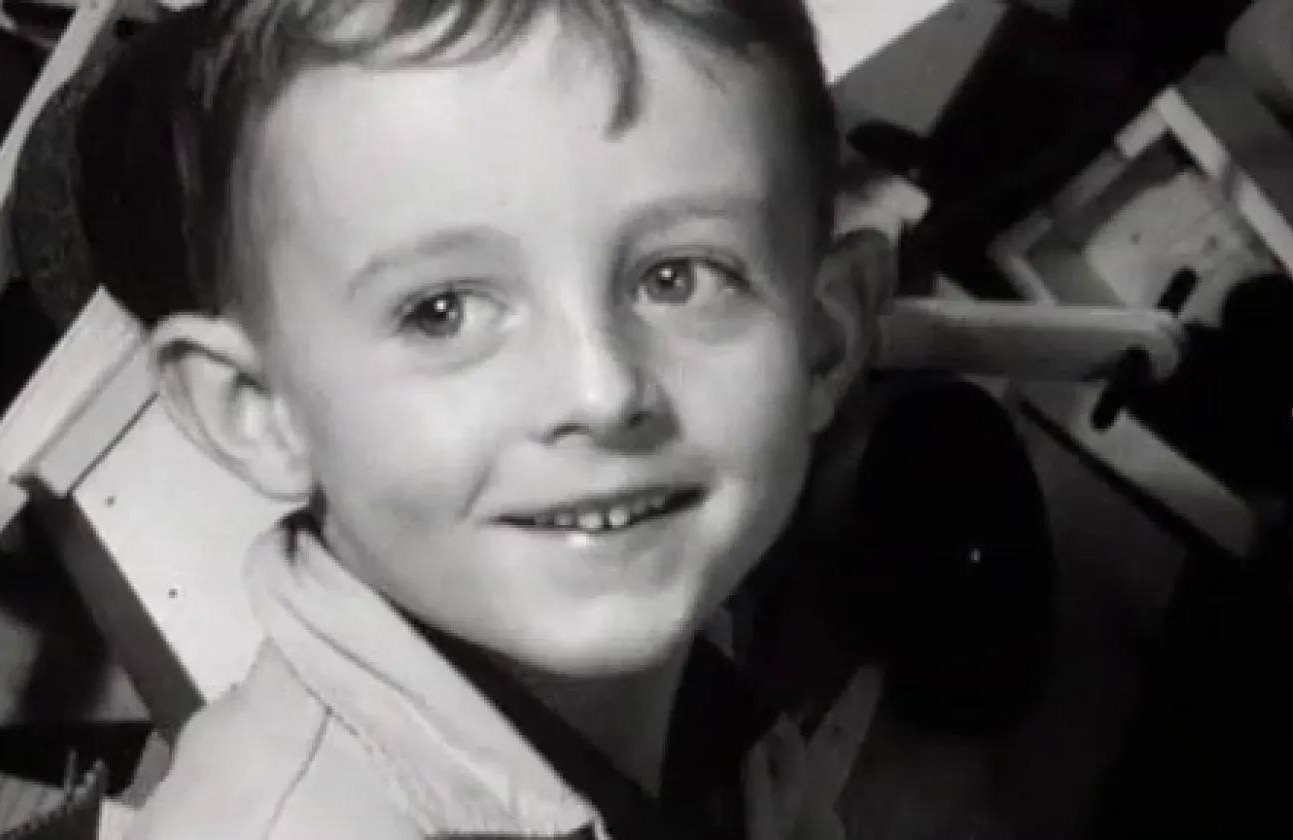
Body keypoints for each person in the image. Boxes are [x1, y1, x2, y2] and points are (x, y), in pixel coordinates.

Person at [115, 0, 916, 836]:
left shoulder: (709, 715)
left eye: (679, 278)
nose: (601, 393)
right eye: (443, 312)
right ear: (259, 408)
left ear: (826, 338)